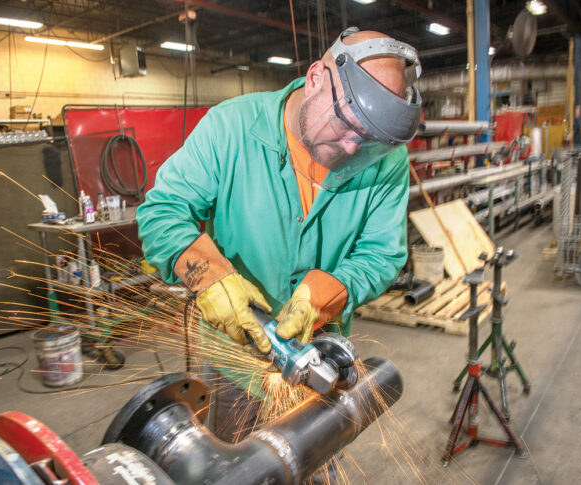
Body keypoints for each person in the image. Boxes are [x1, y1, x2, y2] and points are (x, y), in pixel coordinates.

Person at [137, 27, 422, 445]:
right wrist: (208, 277)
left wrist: (324, 295)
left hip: (319, 360)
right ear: (314, 80)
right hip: (235, 367)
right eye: (346, 124)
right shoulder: (229, 127)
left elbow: (382, 254)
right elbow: (163, 212)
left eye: (367, 140)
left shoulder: (385, 160)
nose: (350, 146)